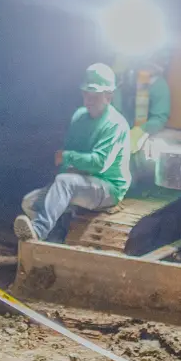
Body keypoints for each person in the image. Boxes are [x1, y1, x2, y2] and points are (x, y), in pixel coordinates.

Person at [15, 63, 132, 243]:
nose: (88, 100)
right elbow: (70, 157)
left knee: (64, 182)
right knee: (29, 202)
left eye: (94, 95)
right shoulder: (79, 116)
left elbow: (100, 163)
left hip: (108, 186)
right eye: (86, 94)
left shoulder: (115, 124)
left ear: (109, 96)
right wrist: (66, 167)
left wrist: (68, 158)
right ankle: (53, 241)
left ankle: (38, 231)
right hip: (80, 181)